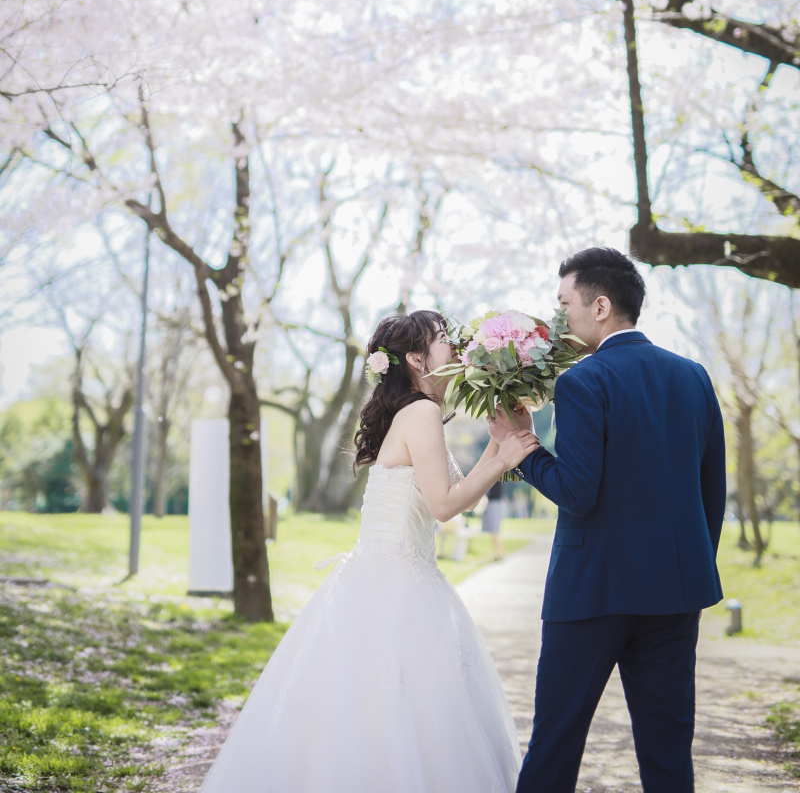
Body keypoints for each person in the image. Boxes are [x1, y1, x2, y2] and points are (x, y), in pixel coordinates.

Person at [198, 309, 537, 793]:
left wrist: (498, 444)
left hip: (392, 579)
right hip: (397, 585)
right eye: (444, 339)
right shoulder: (420, 413)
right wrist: (503, 457)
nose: (457, 346)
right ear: (418, 359)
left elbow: (457, 499)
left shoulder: (420, 413)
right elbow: (445, 506)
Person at [489, 247, 726, 793]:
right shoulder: (694, 377)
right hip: (675, 592)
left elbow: (577, 492)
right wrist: (688, 566)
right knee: (668, 753)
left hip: (592, 591)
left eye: (564, 302)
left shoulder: (582, 381)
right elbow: (711, 491)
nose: (559, 318)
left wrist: (520, 448)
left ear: (599, 306)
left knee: (556, 744)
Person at [482, 480, 505, 560]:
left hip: (494, 503)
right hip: (492, 502)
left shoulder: (497, 477)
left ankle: (499, 554)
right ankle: (496, 553)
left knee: (494, 530)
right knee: (493, 531)